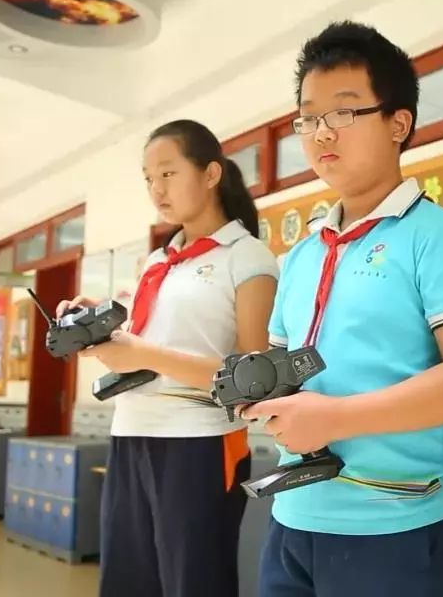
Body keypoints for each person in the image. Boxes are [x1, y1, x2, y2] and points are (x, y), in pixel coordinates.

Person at [239, 21, 443, 596]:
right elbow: (284, 363)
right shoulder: (306, 251)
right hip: (296, 508)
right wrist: (259, 391)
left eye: (343, 112)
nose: (320, 132)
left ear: (399, 123)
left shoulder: (439, 240)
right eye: (308, 117)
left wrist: (336, 418)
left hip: (398, 517)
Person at [57, 119, 278, 597]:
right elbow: (142, 350)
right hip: (131, 432)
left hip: (198, 441)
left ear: (211, 174)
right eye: (148, 178)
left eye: (168, 173)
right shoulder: (157, 262)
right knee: (128, 580)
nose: (156, 189)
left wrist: (143, 351)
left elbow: (254, 378)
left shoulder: (247, 256)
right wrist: (97, 329)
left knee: (193, 582)